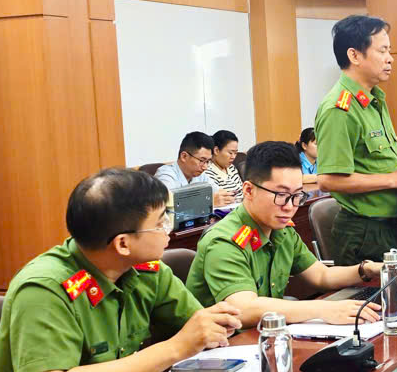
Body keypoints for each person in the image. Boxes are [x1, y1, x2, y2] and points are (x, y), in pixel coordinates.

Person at [0, 169, 243, 372]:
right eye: (160, 223)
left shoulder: (145, 270)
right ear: (122, 244)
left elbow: (200, 330)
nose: (169, 228)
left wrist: (214, 326)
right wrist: (176, 347)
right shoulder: (45, 290)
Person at [186, 141, 380, 327]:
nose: (289, 207)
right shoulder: (224, 241)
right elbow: (244, 308)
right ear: (249, 190)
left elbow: (322, 275)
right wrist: (323, 309)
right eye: (281, 195)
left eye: (296, 196)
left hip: (266, 333)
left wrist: (368, 269)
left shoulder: (282, 230)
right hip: (226, 342)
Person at [315, 15, 397, 264]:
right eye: (382, 50)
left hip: (391, 225)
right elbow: (328, 180)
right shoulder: (339, 108)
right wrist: (395, 178)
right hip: (364, 233)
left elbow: (373, 164)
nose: (390, 58)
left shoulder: (374, 99)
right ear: (355, 55)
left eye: (389, 50)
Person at [155, 131, 234, 207]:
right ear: (184, 156)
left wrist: (226, 196)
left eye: (208, 161)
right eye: (202, 160)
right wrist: (208, 202)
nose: (205, 167)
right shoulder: (166, 175)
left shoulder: (201, 175)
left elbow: (218, 192)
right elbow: (170, 205)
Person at [206, 130, 243, 205]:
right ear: (216, 150)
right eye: (230, 153)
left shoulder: (231, 168)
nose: (233, 157)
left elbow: (242, 192)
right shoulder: (207, 172)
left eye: (235, 153)